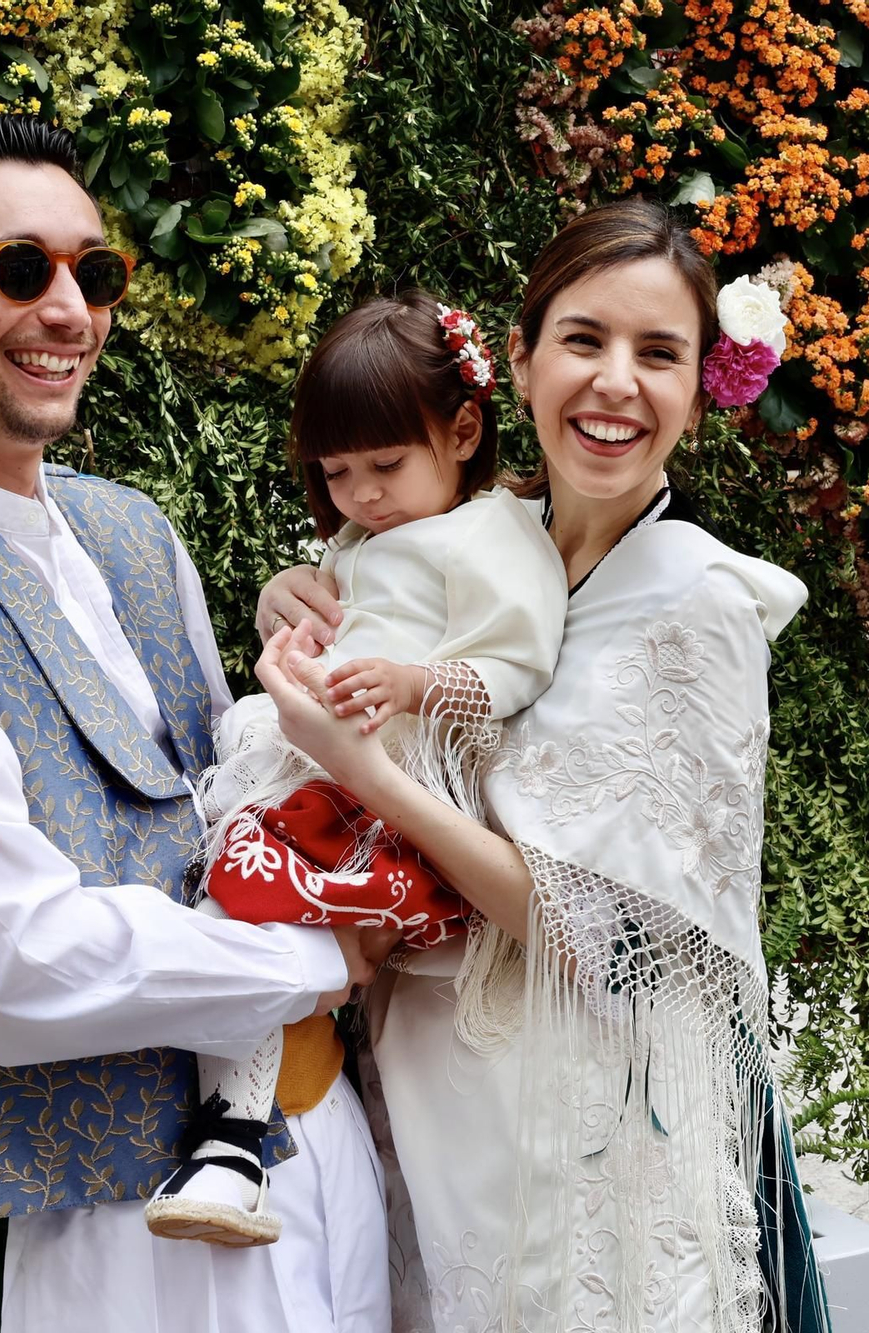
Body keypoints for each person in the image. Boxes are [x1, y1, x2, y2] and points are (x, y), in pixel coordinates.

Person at [0, 116, 387, 1333]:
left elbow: (239, 812)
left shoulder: (132, 531)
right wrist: (323, 958)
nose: (67, 309)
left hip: (326, 1154)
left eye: (92, 274)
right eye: (18, 268)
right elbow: (14, 961)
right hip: (130, 1227)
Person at [256, 195, 833, 1332]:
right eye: (583, 340)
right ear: (518, 364)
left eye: (656, 352)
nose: (615, 381)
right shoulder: (471, 539)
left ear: (695, 391)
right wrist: (305, 602)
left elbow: (598, 933)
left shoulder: (692, 603)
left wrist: (362, 769)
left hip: (583, 1138)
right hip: (430, 1098)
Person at [143, 292, 568, 1248]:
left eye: (386, 464)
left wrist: (415, 681)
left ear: (464, 429)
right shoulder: (369, 534)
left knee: (246, 909)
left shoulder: (496, 536)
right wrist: (276, 601)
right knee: (235, 904)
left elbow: (516, 670)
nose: (364, 493)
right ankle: (235, 1137)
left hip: (387, 791)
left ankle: (232, 1141)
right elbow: (329, 602)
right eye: (338, 472)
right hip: (326, 772)